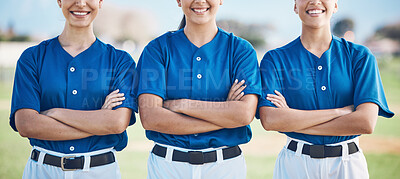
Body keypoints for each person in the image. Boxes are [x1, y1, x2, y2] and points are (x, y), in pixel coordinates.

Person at [257, 0, 395, 178]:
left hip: (347, 166)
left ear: (335, 5)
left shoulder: (360, 57)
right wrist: (339, 112)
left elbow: (365, 122)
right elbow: (270, 121)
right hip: (295, 164)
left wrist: (292, 120)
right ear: (295, 5)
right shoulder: (275, 59)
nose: (314, 1)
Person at [9, 0, 137, 178]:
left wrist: (55, 113)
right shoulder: (32, 58)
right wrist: (99, 120)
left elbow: (116, 123)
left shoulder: (120, 61)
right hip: (42, 171)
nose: (81, 3)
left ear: (100, 2)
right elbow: (26, 124)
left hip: (99, 172)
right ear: (59, 1)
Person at [136, 0, 261, 178]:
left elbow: (243, 115)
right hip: (168, 167)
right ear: (179, 1)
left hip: (225, 167)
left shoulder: (241, 50)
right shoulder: (157, 49)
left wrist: (183, 105)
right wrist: (225, 117)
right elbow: (151, 118)